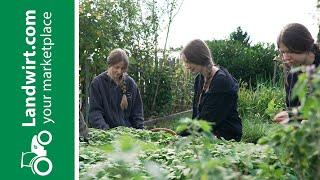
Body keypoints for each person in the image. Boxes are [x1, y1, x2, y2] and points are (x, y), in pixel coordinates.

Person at [180, 39, 242, 141]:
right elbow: (197, 115)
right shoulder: (199, 79)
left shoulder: (221, 81)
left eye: (188, 62)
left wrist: (181, 135)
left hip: (227, 137)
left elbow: (208, 120)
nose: (186, 66)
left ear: (198, 58)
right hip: (208, 134)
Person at [274, 23, 320, 123]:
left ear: (304, 46)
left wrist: (295, 115)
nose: (285, 57)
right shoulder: (292, 73)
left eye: (290, 51)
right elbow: (292, 107)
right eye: (283, 52)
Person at [89, 48, 144, 130]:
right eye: (116, 67)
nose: (119, 71)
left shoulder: (131, 84)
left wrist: (140, 131)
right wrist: (106, 132)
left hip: (129, 136)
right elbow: (95, 112)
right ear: (109, 65)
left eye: (122, 68)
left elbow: (137, 113)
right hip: (107, 134)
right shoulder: (97, 83)